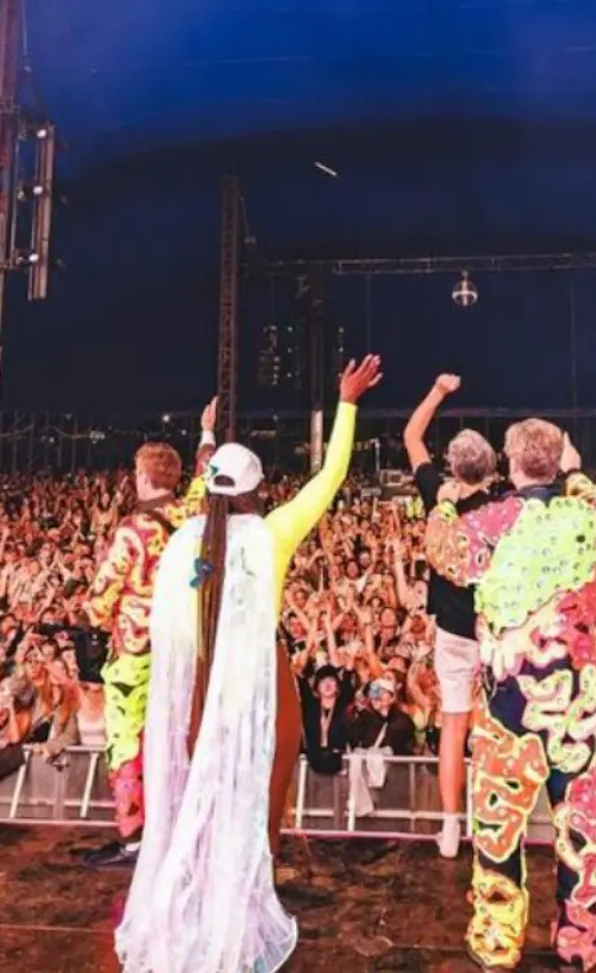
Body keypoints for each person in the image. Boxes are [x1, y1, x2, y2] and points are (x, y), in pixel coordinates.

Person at [116, 356, 381, 973]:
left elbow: (201, 488)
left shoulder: (185, 539)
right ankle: (242, 899)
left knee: (198, 796)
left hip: (197, 691)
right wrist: (347, 403)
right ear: (259, 490)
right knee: (260, 793)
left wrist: (206, 435)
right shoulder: (272, 534)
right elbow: (331, 475)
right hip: (260, 690)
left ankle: (197, 895)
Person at [426, 418, 596, 973]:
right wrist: (575, 473)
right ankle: (578, 938)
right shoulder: (587, 517)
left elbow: (442, 552)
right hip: (576, 702)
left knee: (498, 825)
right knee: (581, 825)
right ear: (556, 461)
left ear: (508, 462)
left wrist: (443, 497)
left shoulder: (488, 523)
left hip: (509, 703)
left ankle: (498, 937)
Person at [81, 400, 216, 868]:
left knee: (125, 743)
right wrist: (206, 435)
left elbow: (99, 603)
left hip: (134, 653)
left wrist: (96, 615)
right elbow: (205, 479)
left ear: (142, 476)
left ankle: (134, 836)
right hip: (177, 649)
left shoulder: (132, 532)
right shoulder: (189, 517)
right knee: (170, 736)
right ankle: (172, 822)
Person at [402, 371, 506, 858]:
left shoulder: (437, 497)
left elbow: (411, 436)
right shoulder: (504, 509)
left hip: (451, 632)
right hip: (493, 631)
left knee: (453, 725)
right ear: (489, 470)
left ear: (452, 468)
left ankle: (449, 827)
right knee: (494, 727)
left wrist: (438, 392)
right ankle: (494, 821)